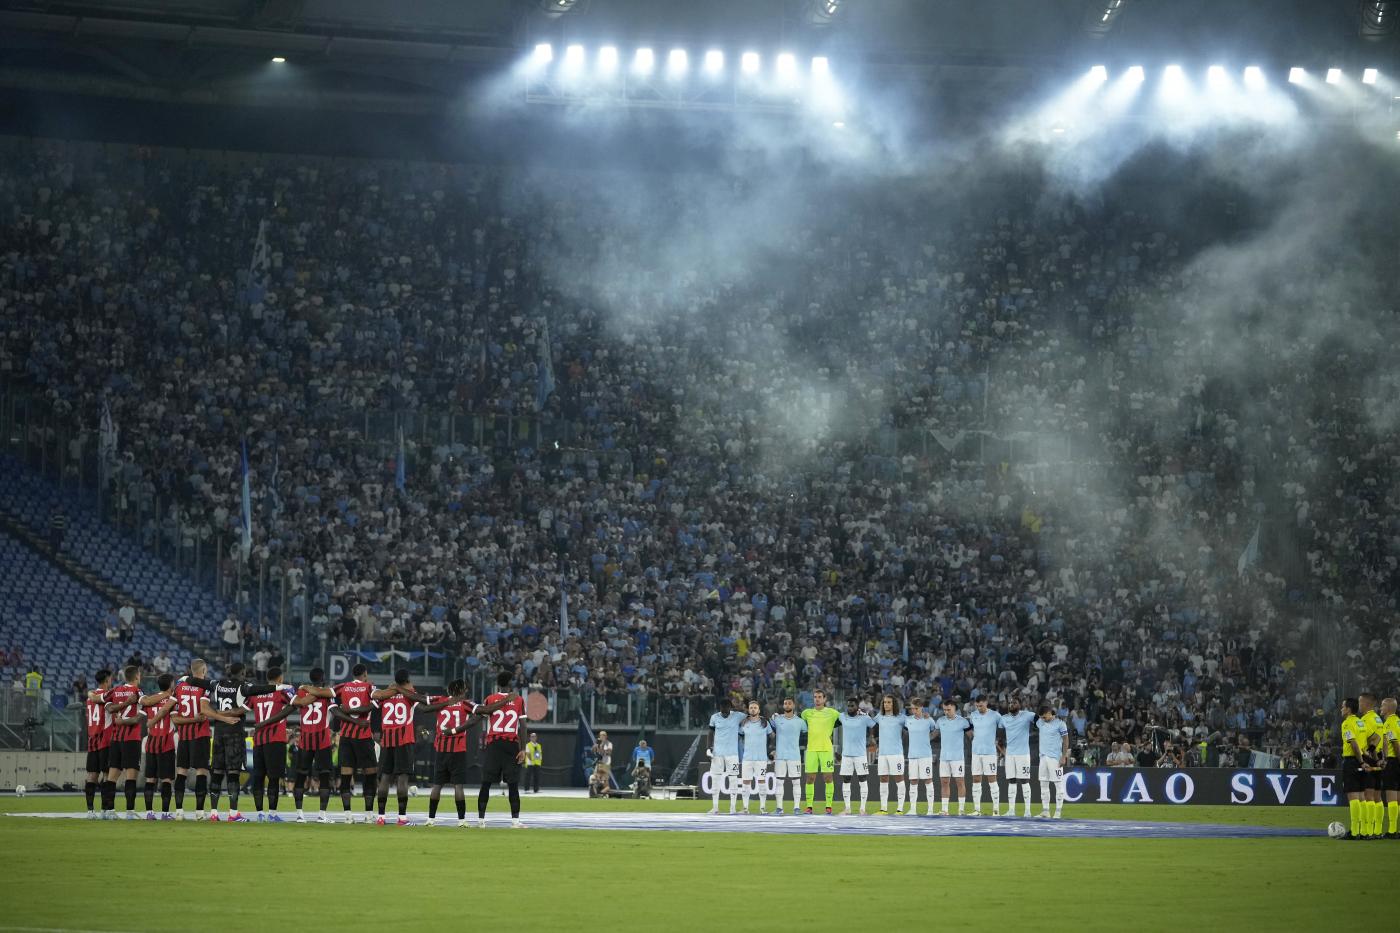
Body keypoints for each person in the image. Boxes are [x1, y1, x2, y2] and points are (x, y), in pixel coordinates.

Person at [202, 661, 277, 822]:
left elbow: (201, 682)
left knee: (216, 773)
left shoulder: (219, 684)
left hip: (219, 732)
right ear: (242, 673)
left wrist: (187, 680)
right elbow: (260, 689)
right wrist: (279, 687)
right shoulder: (243, 685)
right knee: (233, 774)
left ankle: (213, 813)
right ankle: (233, 813)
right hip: (235, 733)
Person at [245, 668, 299, 822]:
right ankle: (272, 814)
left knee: (258, 777)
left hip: (259, 740)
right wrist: (277, 719)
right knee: (274, 778)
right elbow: (294, 704)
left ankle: (259, 814)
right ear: (280, 678)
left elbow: (244, 708)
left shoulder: (256, 693)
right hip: (275, 740)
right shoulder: (281, 690)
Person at [476, 670, 527, 829]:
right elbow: (523, 726)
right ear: (510, 683)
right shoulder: (518, 700)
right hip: (511, 745)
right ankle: (515, 821)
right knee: (513, 784)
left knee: (486, 783)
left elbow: (481, 719)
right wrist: (523, 748)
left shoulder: (490, 699)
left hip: (494, 744)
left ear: (497, 683)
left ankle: (481, 821)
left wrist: (482, 742)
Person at [169, 659, 220, 820]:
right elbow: (204, 710)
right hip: (201, 735)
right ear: (204, 670)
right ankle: (199, 813)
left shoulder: (179, 686)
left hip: (184, 736)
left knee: (181, 772)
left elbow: (174, 717)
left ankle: (178, 812)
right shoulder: (205, 686)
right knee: (201, 772)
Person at [423, 680, 477, 827]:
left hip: (441, 749)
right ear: (460, 691)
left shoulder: (441, 701)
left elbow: (423, 707)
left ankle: (430, 819)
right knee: (458, 786)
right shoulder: (465, 703)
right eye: (464, 689)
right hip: (458, 750)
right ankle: (461, 821)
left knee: (437, 785)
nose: (466, 692)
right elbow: (479, 713)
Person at [372, 669, 420, 826]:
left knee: (385, 778)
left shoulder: (386, 694)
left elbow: (375, 698)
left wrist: (392, 687)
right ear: (407, 680)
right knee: (402, 779)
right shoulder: (409, 693)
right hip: (404, 740)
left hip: (387, 740)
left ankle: (381, 817)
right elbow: (418, 698)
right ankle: (402, 817)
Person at [333, 664, 379, 823]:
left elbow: (333, 706)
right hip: (364, 737)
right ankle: (368, 815)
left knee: (346, 776)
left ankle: (347, 816)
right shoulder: (369, 687)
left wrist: (345, 711)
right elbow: (377, 701)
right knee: (370, 775)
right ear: (365, 674)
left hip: (346, 737)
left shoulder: (342, 686)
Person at [290, 668, 337, 823]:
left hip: (305, 740)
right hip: (322, 740)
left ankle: (299, 814)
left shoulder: (302, 692)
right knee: (324, 777)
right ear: (322, 678)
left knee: (300, 775)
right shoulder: (326, 694)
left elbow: (294, 704)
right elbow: (334, 707)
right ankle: (322, 815)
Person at [100, 665, 145, 819]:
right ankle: (130, 812)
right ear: (137, 676)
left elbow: (109, 708)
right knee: (131, 776)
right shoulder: (138, 692)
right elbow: (139, 716)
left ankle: (110, 811)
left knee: (112, 776)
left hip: (116, 739)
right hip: (131, 739)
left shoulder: (114, 691)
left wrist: (119, 720)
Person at [140, 674, 177, 820]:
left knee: (150, 779)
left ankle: (149, 812)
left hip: (151, 743)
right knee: (166, 780)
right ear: (170, 685)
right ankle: (165, 813)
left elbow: (142, 720)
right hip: (166, 744)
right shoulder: (173, 700)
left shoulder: (149, 700)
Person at [799, 688, 840, 815]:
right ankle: (809, 807)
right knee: (810, 778)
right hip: (811, 749)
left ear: (824, 699)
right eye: (815, 697)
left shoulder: (833, 713)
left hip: (826, 749)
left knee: (828, 777)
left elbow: (845, 720)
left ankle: (828, 806)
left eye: (819, 697)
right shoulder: (806, 713)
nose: (817, 699)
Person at [706, 696, 745, 815]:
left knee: (733, 780)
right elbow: (710, 733)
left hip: (732, 754)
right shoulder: (714, 717)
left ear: (730, 707)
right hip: (717, 753)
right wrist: (708, 748)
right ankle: (715, 807)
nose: (724, 710)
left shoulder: (738, 715)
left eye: (726, 708)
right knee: (715, 779)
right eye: (722, 708)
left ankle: (732, 808)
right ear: (720, 708)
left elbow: (752, 716)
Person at [998, 696, 1036, 817]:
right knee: (1012, 781)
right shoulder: (1004, 719)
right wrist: (1003, 751)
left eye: (1014, 703)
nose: (1011, 705)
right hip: (1010, 755)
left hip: (1023, 754)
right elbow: (999, 737)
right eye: (1010, 703)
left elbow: (1041, 719)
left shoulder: (1027, 715)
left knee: (1024, 781)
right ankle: (1011, 810)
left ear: (1020, 704)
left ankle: (1028, 811)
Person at [82, 669, 113, 819]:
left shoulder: (90, 697)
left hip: (92, 740)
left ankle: (90, 811)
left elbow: (91, 696)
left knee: (92, 775)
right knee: (107, 775)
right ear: (107, 680)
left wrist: (89, 693)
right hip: (104, 740)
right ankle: (104, 811)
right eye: (111, 679)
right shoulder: (106, 696)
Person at [836, 697, 874, 816]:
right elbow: (832, 723)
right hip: (846, 755)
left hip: (860, 755)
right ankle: (847, 809)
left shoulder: (864, 718)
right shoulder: (842, 716)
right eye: (848, 705)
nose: (850, 708)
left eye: (852, 706)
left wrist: (871, 738)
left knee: (862, 780)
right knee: (846, 780)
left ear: (857, 707)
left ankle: (862, 809)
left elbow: (874, 726)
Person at [967, 696, 1003, 817]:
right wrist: (971, 736)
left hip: (990, 753)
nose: (979, 708)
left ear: (986, 703)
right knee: (976, 779)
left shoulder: (995, 715)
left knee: (992, 779)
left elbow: (1004, 728)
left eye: (981, 705)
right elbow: (968, 728)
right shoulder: (973, 715)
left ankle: (996, 810)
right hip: (976, 752)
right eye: (977, 706)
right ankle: (977, 809)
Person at [770, 697, 806, 815]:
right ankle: (779, 808)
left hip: (794, 755)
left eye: (789, 703)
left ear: (793, 706)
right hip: (780, 756)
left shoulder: (800, 721)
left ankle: (796, 808)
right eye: (785, 703)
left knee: (796, 782)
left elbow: (806, 735)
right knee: (779, 782)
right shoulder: (777, 719)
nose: (787, 705)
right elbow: (771, 732)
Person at [934, 699, 970, 816]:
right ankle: (945, 810)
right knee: (944, 782)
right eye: (944, 709)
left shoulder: (963, 722)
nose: (946, 712)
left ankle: (961, 810)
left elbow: (971, 736)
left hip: (957, 757)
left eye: (948, 709)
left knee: (960, 782)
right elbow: (933, 734)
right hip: (944, 757)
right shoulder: (940, 721)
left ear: (955, 708)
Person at [903, 697, 938, 816]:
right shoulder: (908, 720)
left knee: (928, 780)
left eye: (916, 708)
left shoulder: (929, 720)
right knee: (913, 781)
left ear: (921, 707)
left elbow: (936, 731)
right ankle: (912, 809)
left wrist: (929, 739)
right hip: (912, 755)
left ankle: (930, 809)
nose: (914, 711)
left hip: (925, 755)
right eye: (912, 708)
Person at [737, 700, 773, 814]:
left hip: (761, 758)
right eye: (751, 707)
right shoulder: (744, 723)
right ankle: (745, 808)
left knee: (761, 782)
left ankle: (762, 808)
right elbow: (740, 737)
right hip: (747, 758)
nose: (753, 709)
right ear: (748, 709)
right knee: (745, 783)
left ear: (759, 710)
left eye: (755, 708)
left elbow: (771, 737)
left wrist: (771, 751)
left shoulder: (765, 723)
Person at [873, 694, 906, 815]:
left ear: (894, 704)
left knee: (899, 779)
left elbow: (913, 724)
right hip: (882, 754)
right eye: (885, 702)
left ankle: (900, 809)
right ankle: (883, 809)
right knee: (883, 779)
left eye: (889, 702)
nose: (886, 704)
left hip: (896, 754)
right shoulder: (879, 717)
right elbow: (870, 723)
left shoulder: (901, 718)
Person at [1036, 705, 1070, 819]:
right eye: (1041, 717)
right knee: (1043, 784)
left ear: (1050, 713)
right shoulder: (1040, 722)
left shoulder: (1060, 724)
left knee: (1058, 784)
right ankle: (1045, 811)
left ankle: (1058, 812)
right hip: (1043, 757)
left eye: (1045, 717)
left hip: (1055, 758)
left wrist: (1064, 756)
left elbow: (1066, 740)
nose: (1043, 719)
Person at [1379, 696, 1399, 838]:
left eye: (1382, 706)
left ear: (1388, 708)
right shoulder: (1398, 721)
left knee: (1391, 796)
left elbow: (1394, 743)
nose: (1380, 708)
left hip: (1393, 761)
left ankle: (1392, 830)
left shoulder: (1389, 723)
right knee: (1398, 797)